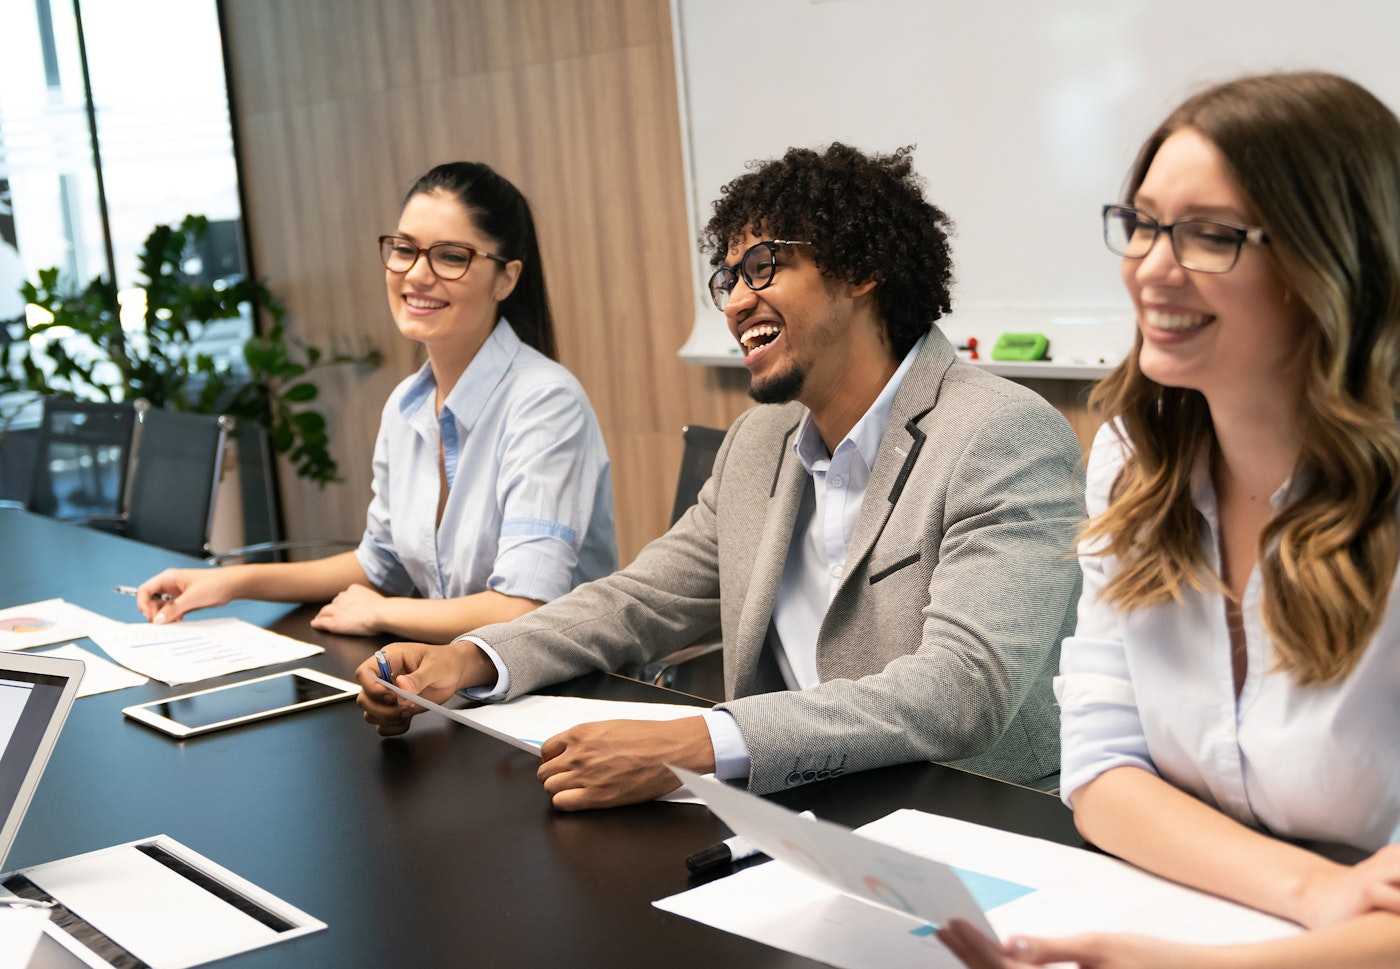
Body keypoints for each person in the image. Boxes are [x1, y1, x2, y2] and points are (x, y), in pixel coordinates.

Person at [357, 143, 1085, 810]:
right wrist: (474, 657)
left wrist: (698, 745)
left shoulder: (999, 434)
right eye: (728, 277)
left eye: (763, 267)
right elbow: (638, 601)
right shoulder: (759, 442)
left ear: (863, 268)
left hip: (974, 817)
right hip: (797, 812)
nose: (736, 302)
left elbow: (960, 690)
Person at [941, 72, 1400, 968]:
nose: (1152, 266)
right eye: (1145, 223)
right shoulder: (1134, 462)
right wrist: (1315, 888)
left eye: (1211, 236)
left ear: (1334, 262)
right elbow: (1102, 774)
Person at [135, 162, 617, 643]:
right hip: (458, 676)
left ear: (505, 279)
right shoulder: (407, 404)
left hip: (565, 689)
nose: (417, 275)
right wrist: (231, 582)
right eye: (405, 250)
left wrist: (383, 614)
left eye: (451, 257)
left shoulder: (545, 402)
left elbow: (522, 609)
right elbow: (376, 566)